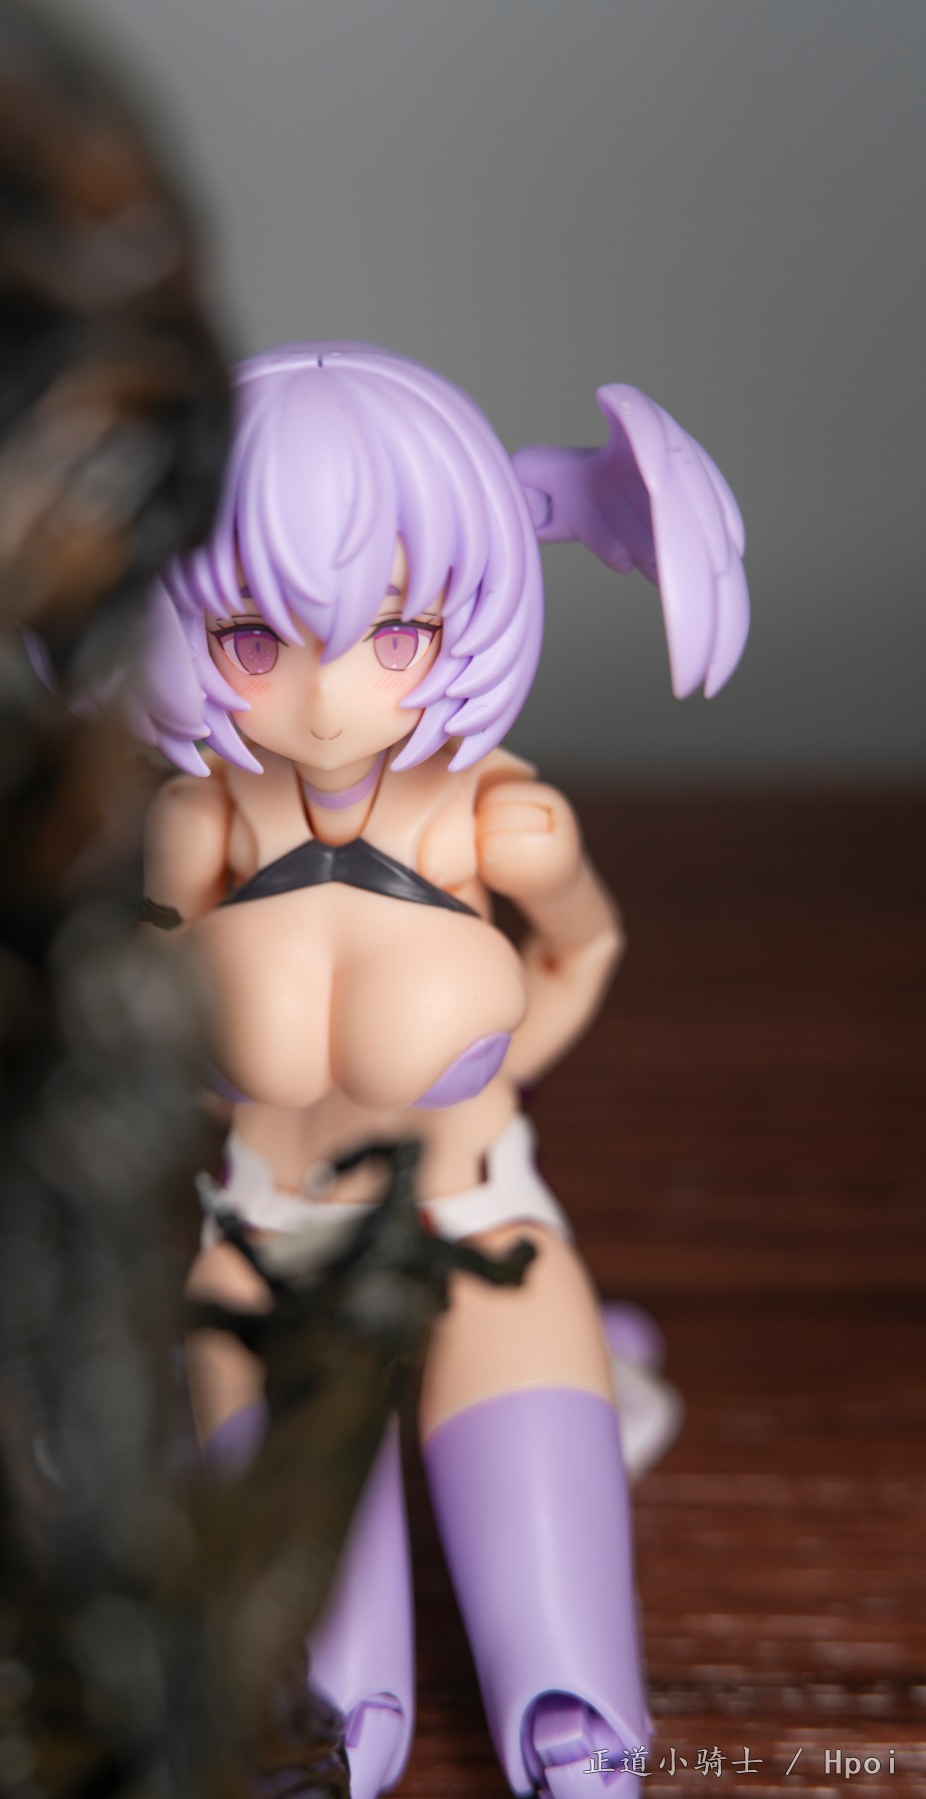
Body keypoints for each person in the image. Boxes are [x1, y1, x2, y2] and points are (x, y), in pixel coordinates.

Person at [138, 341, 748, 1799]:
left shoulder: (498, 819)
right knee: (316, 1671)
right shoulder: (196, 825)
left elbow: (585, 950)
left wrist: (495, 1065)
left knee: (559, 1643)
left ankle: (572, 1715)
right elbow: (127, 1023)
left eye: (395, 635)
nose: (329, 699)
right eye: (255, 642)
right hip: (267, 1238)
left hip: (476, 1216)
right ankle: (323, 1723)